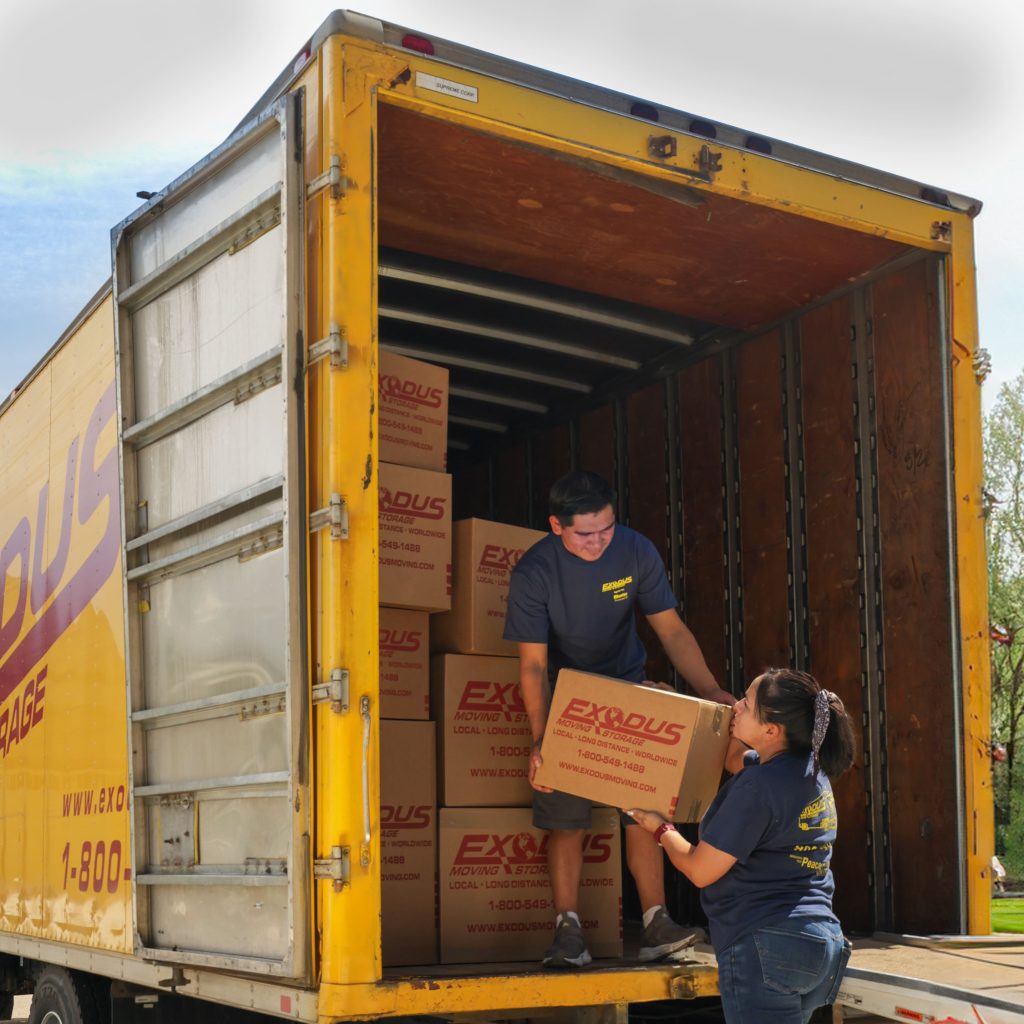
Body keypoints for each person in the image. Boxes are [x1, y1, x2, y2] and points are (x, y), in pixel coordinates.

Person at [503, 469, 735, 968]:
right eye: (585, 533)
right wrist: (542, 740)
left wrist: (711, 690)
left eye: (606, 529)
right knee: (567, 820)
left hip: (629, 688)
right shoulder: (534, 572)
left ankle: (656, 922)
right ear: (556, 526)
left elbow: (671, 631)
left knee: (645, 812)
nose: (597, 542)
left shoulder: (634, 550)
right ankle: (567, 931)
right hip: (568, 697)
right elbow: (534, 665)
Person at [627, 668, 856, 1024]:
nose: (735, 707)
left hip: (766, 943)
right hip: (819, 944)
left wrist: (660, 829)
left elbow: (700, 870)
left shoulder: (757, 789)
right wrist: (682, 706)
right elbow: (733, 757)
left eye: (746, 704)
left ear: (771, 730)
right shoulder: (809, 771)